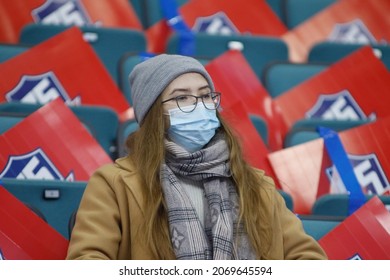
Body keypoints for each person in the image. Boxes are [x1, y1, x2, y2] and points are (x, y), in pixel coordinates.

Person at [66, 54, 327, 260]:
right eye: (181, 98)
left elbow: (306, 258)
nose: (199, 105)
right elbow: (88, 260)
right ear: (154, 114)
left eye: (205, 95)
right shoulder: (113, 184)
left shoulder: (256, 184)